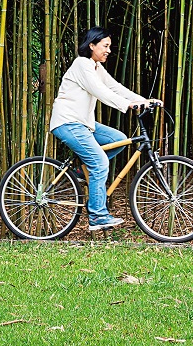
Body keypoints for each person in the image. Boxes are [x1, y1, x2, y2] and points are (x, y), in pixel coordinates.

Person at [48, 27, 162, 232]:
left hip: (84, 123)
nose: (109, 50)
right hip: (68, 122)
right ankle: (98, 216)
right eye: (105, 46)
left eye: (110, 46)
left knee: (118, 138)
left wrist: (143, 101)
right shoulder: (81, 64)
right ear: (91, 45)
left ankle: (80, 171)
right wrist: (126, 105)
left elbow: (115, 87)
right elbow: (100, 91)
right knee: (100, 162)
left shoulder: (96, 67)